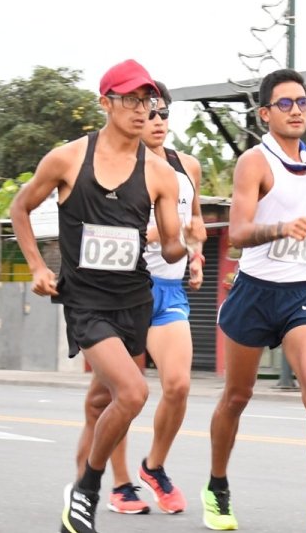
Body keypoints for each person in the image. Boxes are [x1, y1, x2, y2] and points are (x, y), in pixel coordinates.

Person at [9, 58, 195, 533]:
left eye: (148, 101)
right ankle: (87, 491)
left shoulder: (159, 173)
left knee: (101, 402)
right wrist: (36, 266)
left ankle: (80, 481)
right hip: (86, 302)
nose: (141, 111)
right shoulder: (68, 158)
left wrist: (183, 245)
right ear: (105, 102)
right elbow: (20, 207)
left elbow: (171, 242)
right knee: (132, 393)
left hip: (136, 300)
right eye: (130, 100)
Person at [201, 68, 306, 532]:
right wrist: (281, 229)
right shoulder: (254, 163)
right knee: (236, 396)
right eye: (285, 104)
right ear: (265, 113)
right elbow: (239, 235)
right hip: (254, 292)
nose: (297, 110)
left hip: (302, 293)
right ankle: (217, 488)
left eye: (303, 102)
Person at [105, 81, 208, 516]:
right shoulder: (114, 168)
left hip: (168, 289)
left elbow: (195, 217)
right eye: (150, 114)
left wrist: (197, 255)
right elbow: (104, 231)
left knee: (178, 385)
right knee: (121, 395)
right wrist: (155, 234)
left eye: (164, 113)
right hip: (125, 289)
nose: (159, 121)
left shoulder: (187, 167)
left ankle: (154, 466)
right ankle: (121, 483)